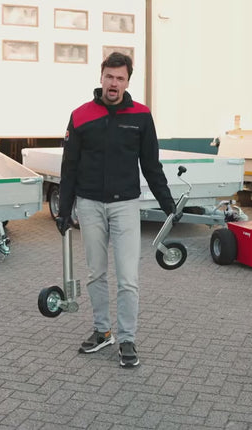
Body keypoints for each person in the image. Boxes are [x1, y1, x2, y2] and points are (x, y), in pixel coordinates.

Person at [56, 52, 175, 368]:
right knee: (96, 273)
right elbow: (69, 167)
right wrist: (64, 210)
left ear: (127, 82)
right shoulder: (81, 116)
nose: (114, 83)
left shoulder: (141, 116)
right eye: (109, 76)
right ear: (101, 77)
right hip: (90, 204)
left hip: (125, 206)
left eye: (120, 78)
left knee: (127, 278)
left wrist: (168, 205)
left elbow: (151, 165)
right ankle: (102, 331)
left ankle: (127, 339)